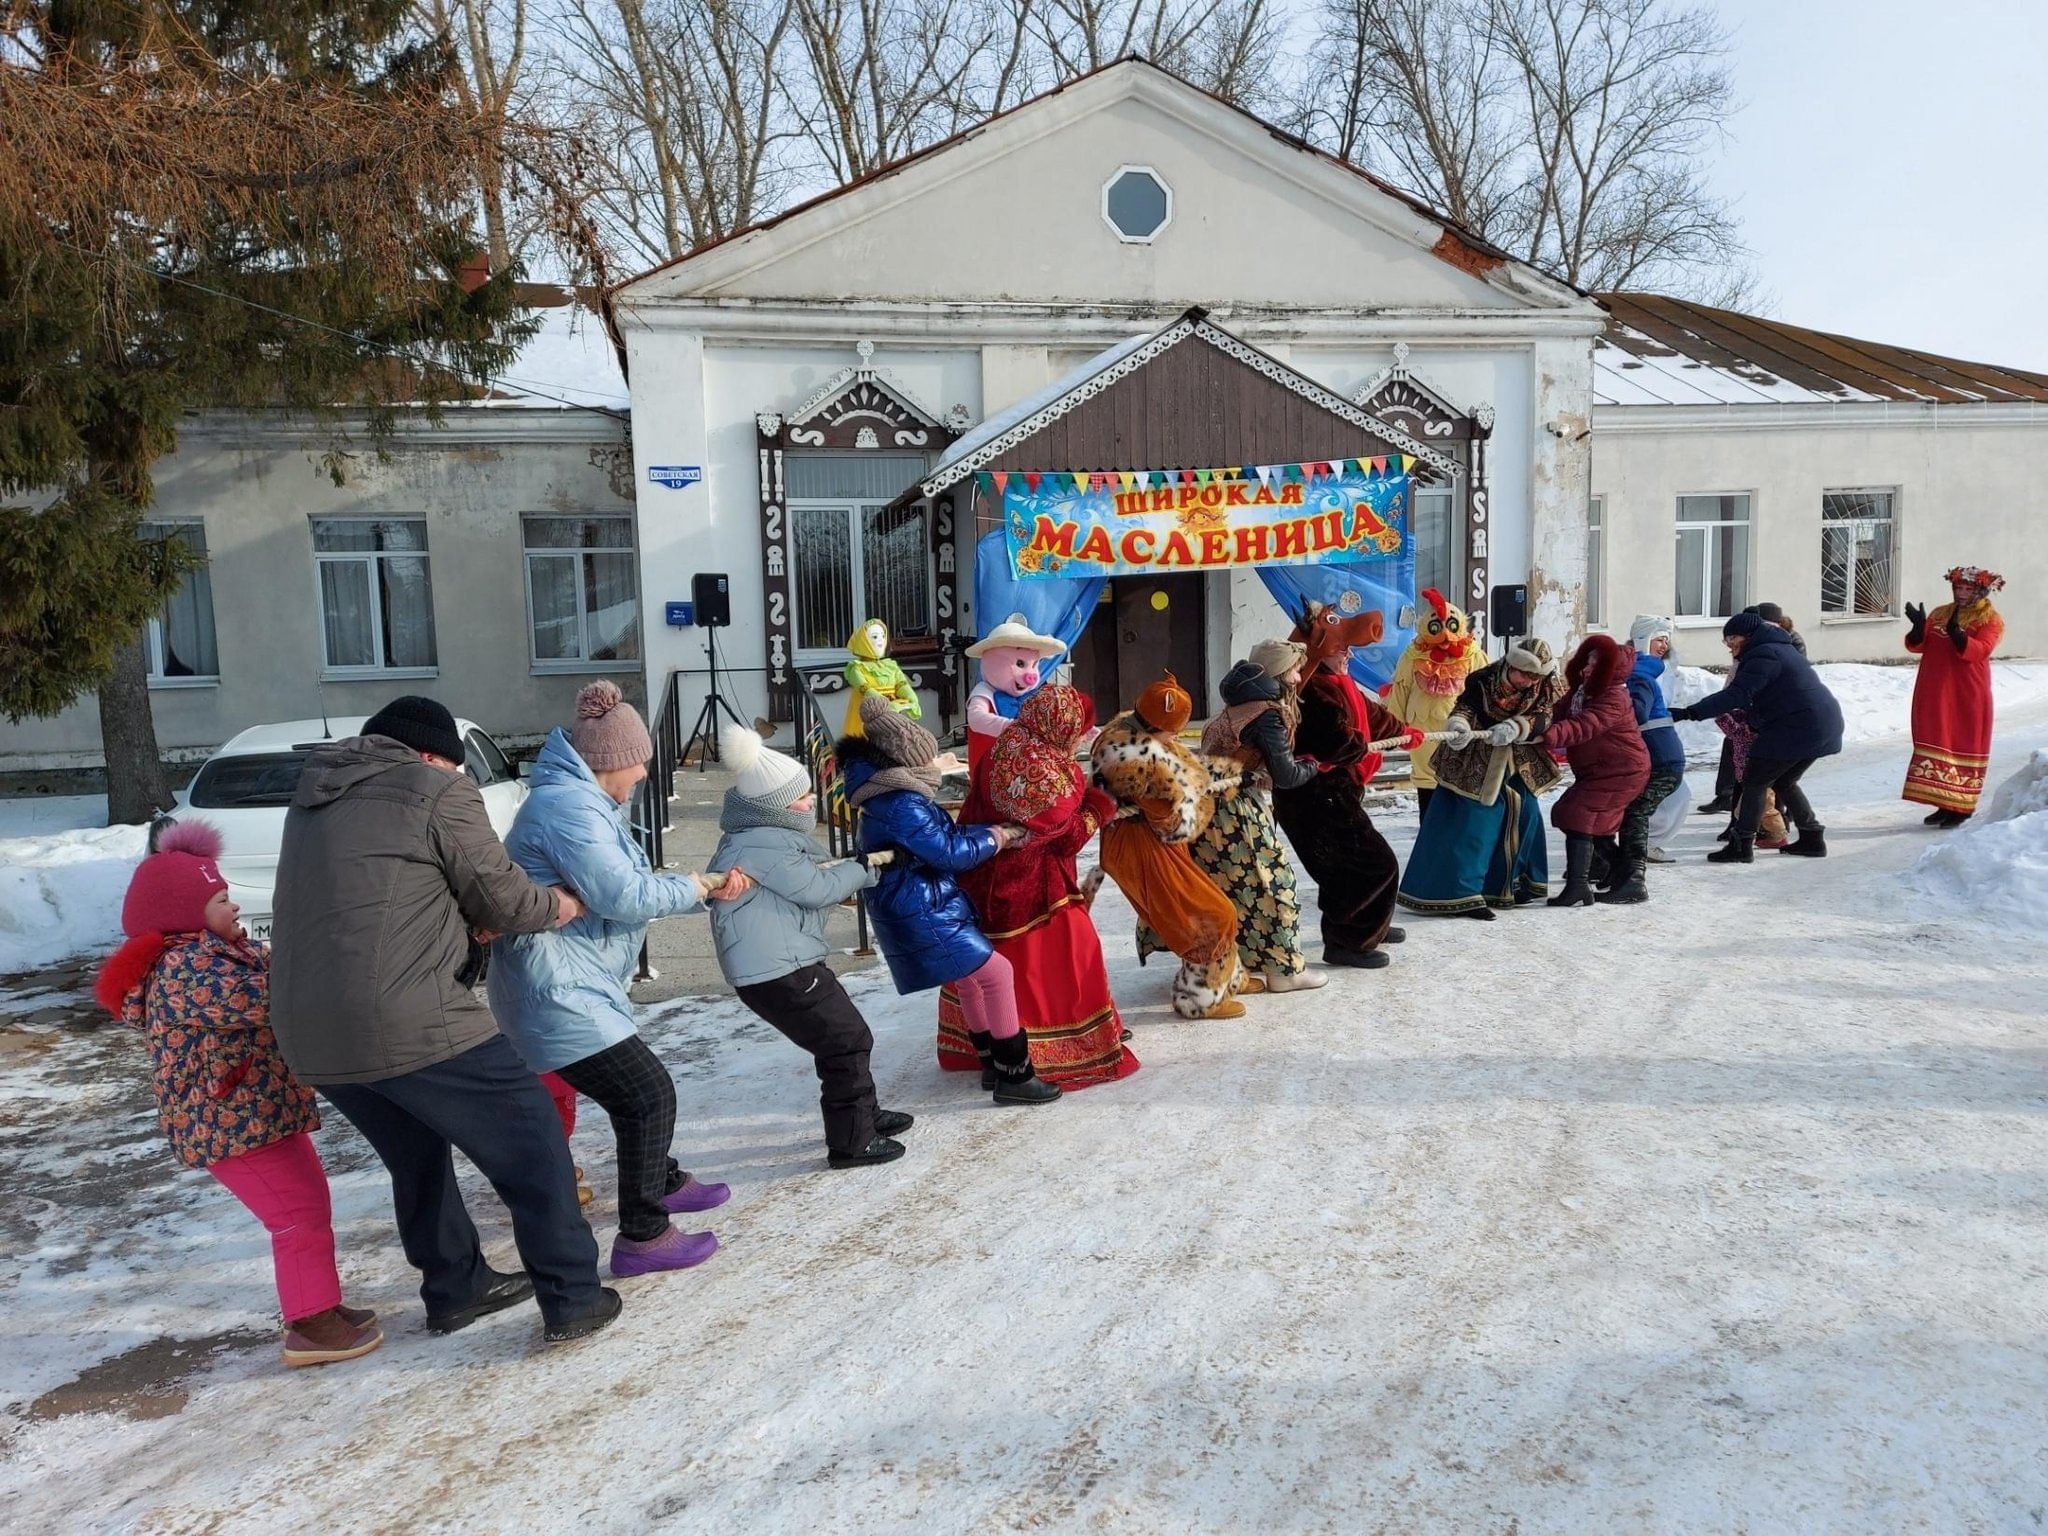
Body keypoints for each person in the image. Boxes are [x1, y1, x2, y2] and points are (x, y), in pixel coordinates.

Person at [270, 695, 622, 1347]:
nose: (458, 778)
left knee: (416, 1151)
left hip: (308, 1032)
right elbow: (505, 897)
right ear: (435, 756)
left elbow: (372, 905)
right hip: (404, 1016)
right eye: (456, 767)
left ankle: (456, 1285)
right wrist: (561, 905)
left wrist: (460, 928)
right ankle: (573, 1297)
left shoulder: (314, 799)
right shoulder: (435, 789)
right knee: (533, 1139)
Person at [94, 820, 382, 1368]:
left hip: (258, 1113)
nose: (232, 907)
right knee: (295, 1213)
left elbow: (277, 968)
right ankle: (309, 1325)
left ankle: (320, 1305)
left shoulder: (221, 952)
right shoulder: (184, 969)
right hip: (225, 1123)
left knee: (310, 1202)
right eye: (220, 898)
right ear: (181, 910)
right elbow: (272, 998)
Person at [490, 682, 748, 1278]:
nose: (642, 777)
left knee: (636, 1095)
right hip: (555, 990)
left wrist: (694, 890)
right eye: (639, 764)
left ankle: (659, 1178)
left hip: (575, 982)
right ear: (610, 760)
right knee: (646, 1095)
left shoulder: (586, 804)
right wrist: (699, 886)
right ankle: (644, 1236)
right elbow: (623, 894)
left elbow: (621, 886)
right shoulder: (568, 809)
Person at [706, 723, 918, 1166]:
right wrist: (863, 868)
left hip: (786, 962)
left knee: (843, 1037)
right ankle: (852, 1143)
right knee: (846, 1040)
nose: (811, 802)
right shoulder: (764, 846)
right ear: (776, 806)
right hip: (777, 971)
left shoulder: (763, 836)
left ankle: (864, 1116)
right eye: (801, 797)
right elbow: (814, 888)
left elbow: (815, 871)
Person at [840, 694, 1059, 1104]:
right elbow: (949, 853)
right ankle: (1015, 1073)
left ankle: (991, 1062)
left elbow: (939, 842)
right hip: (922, 908)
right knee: (996, 974)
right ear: (905, 764)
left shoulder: (885, 795)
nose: (932, 767)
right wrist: (999, 836)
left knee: (971, 979)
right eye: (926, 760)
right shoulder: (902, 802)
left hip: (919, 902)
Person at [948, 683, 1138, 1085]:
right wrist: (1101, 804)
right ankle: (1060, 1046)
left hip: (979, 873)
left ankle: (985, 1051)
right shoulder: (1047, 774)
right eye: (1079, 729)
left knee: (986, 966)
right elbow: (1068, 835)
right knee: (1066, 951)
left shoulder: (1009, 742)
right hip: (1029, 885)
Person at [1149, 642, 1326, 991]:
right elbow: (1287, 776)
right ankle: (1284, 972)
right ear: (1277, 675)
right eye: (1293, 669)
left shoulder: (1231, 712)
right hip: (1236, 810)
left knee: (1226, 888)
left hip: (1208, 810)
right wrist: (1314, 766)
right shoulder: (1268, 715)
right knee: (1274, 884)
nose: (1298, 675)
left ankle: (1232, 963)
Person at [1092, 672, 1254, 1018]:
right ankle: (1200, 999)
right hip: (1138, 844)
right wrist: (1184, 808)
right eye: (1173, 731)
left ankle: (1228, 979)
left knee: (1199, 908)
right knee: (1208, 914)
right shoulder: (1132, 759)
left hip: (1149, 840)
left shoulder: (1140, 739)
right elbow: (1162, 811)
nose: (1177, 737)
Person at [1270, 601, 1417, 968]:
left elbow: (1369, 714)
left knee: (1347, 867)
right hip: (1313, 796)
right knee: (1370, 865)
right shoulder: (1311, 692)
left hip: (1336, 790)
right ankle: (1348, 941)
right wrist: (1361, 746)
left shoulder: (1338, 681)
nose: (1349, 653)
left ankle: (1370, 924)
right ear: (1320, 655)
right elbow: (1338, 741)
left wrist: (1402, 733)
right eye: (1342, 648)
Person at [1397, 639, 1565, 919]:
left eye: (1534, 676)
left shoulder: (1544, 684)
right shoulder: (1483, 679)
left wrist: (1518, 726)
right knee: (1475, 824)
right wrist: (1459, 725)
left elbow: (1545, 715)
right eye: (1523, 673)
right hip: (1475, 759)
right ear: (1510, 665)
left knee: (1527, 815)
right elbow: (1465, 708)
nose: (1527, 681)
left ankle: (1516, 883)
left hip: (1518, 758)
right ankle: (1463, 894)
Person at [1672, 613, 1844, 862]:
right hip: (1819, 724)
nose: (1729, 644)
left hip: (1798, 727)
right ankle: (1811, 836)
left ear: (1748, 636)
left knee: (1754, 782)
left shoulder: (1764, 654)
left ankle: (1741, 845)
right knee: (1783, 782)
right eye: (1726, 639)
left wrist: (1691, 712)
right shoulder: (1779, 648)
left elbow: (1738, 694)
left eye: (1732, 638)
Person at [1539, 633, 1650, 907]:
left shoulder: (1614, 696)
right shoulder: (1583, 692)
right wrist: (1532, 723)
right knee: (1574, 815)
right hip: (1600, 770)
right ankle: (1619, 874)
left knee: (1579, 815)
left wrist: (1548, 736)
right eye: (1586, 662)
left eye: (1595, 664)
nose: (1588, 668)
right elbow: (1557, 714)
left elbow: (1584, 726)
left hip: (1622, 770)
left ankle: (1581, 887)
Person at [1903, 565, 2007, 827]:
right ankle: (1942, 801)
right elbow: (1919, 644)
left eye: (1967, 589)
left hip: (1966, 692)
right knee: (1936, 737)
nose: (1961, 593)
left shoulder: (1990, 619)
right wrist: (1917, 627)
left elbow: (1981, 649)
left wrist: (1959, 636)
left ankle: (1961, 807)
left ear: (1980, 591)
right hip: (1934, 688)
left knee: (1962, 741)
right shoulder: (1940, 613)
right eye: (1958, 588)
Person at [1604, 615, 1689, 902]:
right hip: (1662, 757)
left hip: (1662, 759)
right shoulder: (1646, 673)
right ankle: (1618, 872)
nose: (1665, 645)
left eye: (1666, 640)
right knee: (1630, 810)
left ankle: (1632, 880)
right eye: (1659, 639)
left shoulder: (1639, 677)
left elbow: (1637, 714)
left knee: (1635, 814)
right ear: (1642, 641)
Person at [1381, 588, 1484, 822]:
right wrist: (1394, 728)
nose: (1445, 634)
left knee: (1458, 787)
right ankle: (1429, 834)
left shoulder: (1473, 653)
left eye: (1451, 626)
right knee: (1428, 785)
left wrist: (1485, 728)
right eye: (1437, 627)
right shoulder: (1413, 653)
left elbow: (1482, 693)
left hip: (1460, 731)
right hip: (1423, 728)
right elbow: (1401, 689)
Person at [963, 613, 1067, 780]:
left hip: (1023, 775)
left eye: (1034, 665)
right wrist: (1013, 727)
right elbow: (976, 719)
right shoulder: (984, 692)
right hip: (990, 774)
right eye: (1020, 664)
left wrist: (1082, 728)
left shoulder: (1033, 696)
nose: (1030, 675)